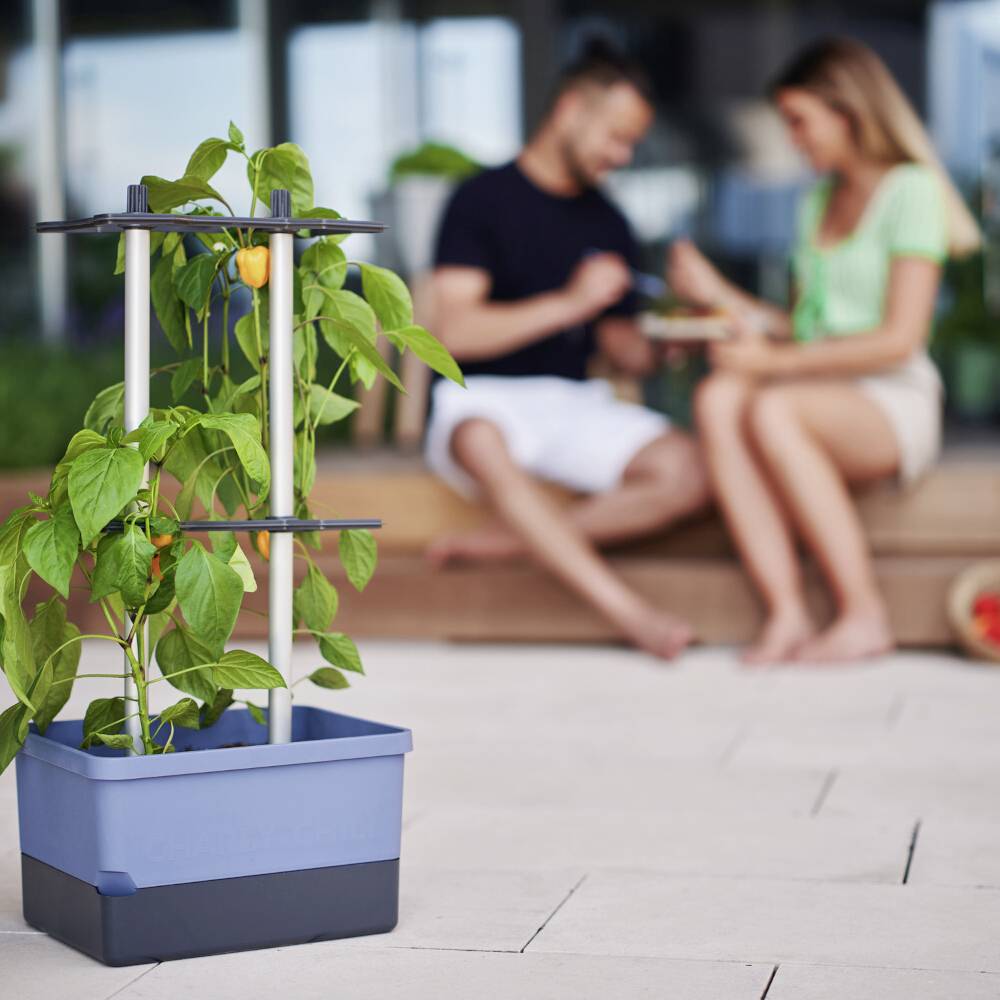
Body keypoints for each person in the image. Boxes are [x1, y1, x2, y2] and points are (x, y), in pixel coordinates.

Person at [670, 37, 981, 664]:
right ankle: (785, 611)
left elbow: (899, 337)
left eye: (799, 121)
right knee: (719, 395)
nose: (794, 139)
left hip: (891, 395)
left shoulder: (911, 191)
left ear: (850, 112)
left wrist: (773, 366)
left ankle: (864, 614)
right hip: (817, 385)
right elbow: (802, 327)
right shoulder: (816, 202)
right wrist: (717, 299)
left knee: (771, 407)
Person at [424, 41, 710, 660]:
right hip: (481, 399)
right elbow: (454, 335)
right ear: (570, 108)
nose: (622, 156)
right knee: (478, 437)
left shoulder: (610, 222)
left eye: (630, 143)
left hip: (576, 400)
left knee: (691, 471)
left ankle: (512, 538)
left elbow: (621, 350)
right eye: (615, 137)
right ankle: (632, 615)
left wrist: (664, 347)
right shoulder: (480, 201)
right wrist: (572, 302)